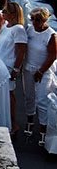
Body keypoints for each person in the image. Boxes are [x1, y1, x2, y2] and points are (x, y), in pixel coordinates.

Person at [0, 2, 28, 132]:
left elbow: (21, 50)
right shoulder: (6, 26)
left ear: (13, 14)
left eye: (6, 12)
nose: (3, 13)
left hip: (8, 67)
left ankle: (13, 123)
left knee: (9, 95)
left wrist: (16, 69)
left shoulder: (18, 29)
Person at [24, 7, 57, 136]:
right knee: (29, 97)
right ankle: (30, 121)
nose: (34, 22)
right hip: (28, 69)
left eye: (38, 20)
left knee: (42, 100)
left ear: (44, 20)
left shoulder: (51, 35)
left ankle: (43, 128)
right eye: (32, 19)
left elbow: (52, 56)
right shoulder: (30, 30)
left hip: (44, 71)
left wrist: (41, 71)